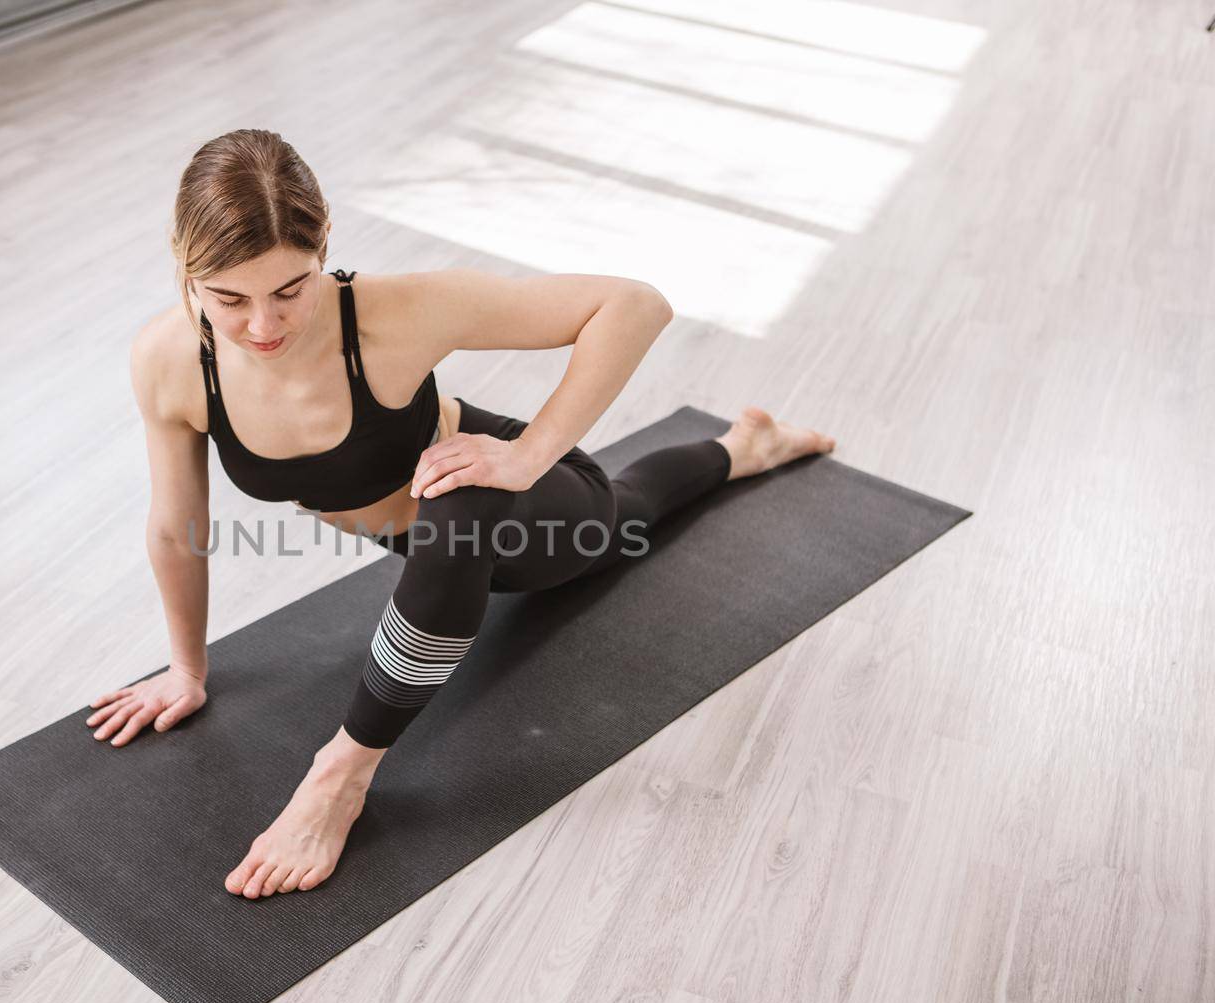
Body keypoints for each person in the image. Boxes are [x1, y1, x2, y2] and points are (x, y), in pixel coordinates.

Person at [85, 129, 836, 900]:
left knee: (597, 512)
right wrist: (187, 667)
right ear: (186, 271)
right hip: (438, 546)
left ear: (324, 250)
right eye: (229, 299)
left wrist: (528, 455)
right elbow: (177, 525)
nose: (265, 326)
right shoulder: (170, 361)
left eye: (290, 289)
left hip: (518, 508)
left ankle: (341, 774)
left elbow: (635, 305)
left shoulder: (392, 313)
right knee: (590, 506)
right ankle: (748, 445)